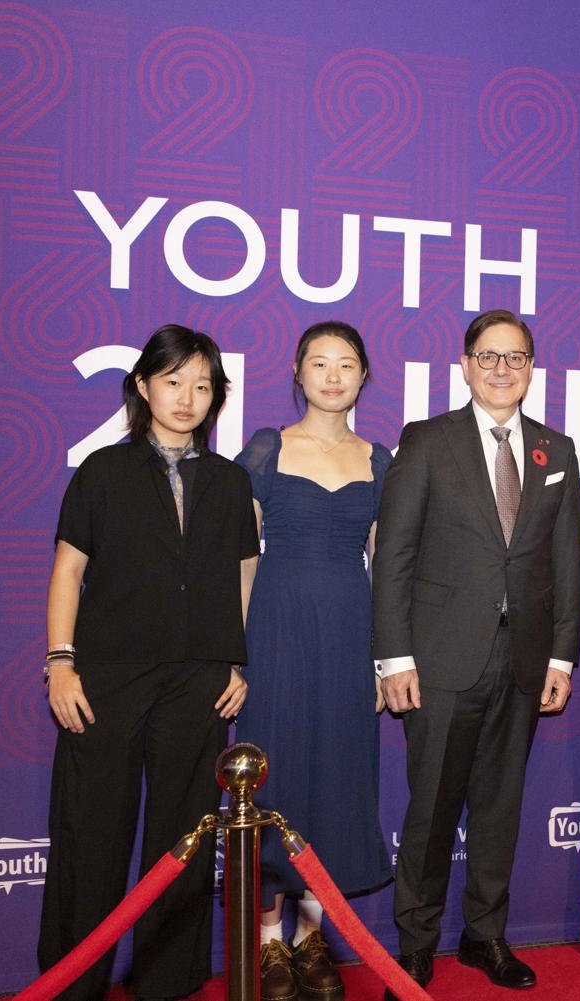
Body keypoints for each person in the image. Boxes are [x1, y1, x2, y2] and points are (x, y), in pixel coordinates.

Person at [39, 324, 259, 1001]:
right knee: (91, 830)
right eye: (174, 381)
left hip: (199, 679)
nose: (188, 397)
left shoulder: (229, 480)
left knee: (183, 834)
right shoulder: (103, 470)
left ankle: (169, 978)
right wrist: (60, 661)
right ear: (143, 385)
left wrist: (234, 661)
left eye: (202, 385)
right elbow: (68, 570)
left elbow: (243, 575)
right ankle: (74, 980)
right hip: (106, 675)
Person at [372, 308, 580, 997]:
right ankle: (415, 943)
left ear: (531, 368)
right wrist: (394, 657)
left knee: (499, 807)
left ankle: (485, 935)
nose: (502, 369)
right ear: (464, 366)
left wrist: (561, 657)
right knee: (431, 808)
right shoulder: (428, 440)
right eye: (488, 357)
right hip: (439, 661)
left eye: (515, 357)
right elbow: (394, 555)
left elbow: (566, 562)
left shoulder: (557, 449)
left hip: (522, 661)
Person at [234, 322, 392, 1001]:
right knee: (278, 774)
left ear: (364, 376)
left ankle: (311, 937)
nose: (333, 376)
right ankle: (268, 942)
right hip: (274, 628)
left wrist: (386, 661)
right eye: (319, 363)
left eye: (346, 364)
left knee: (336, 775)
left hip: (349, 633)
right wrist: (233, 655)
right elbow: (241, 559)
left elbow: (385, 567)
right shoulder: (268, 448)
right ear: (297, 372)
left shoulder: (379, 457)